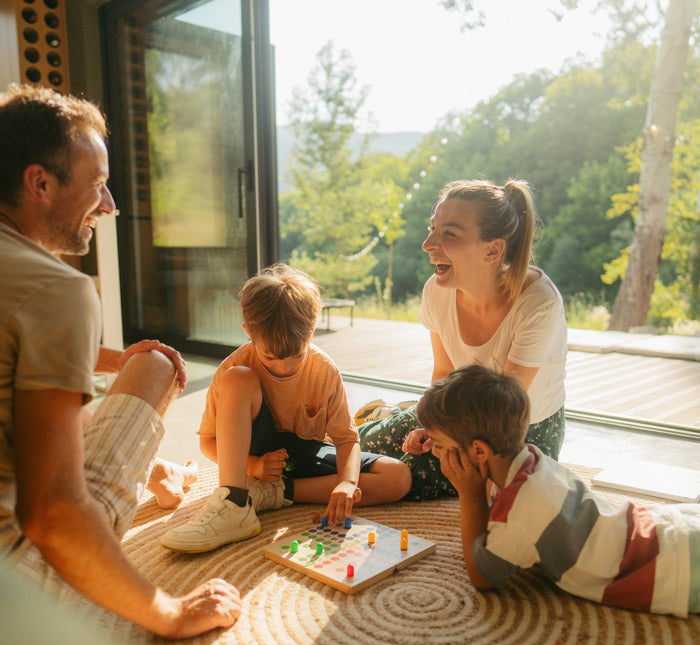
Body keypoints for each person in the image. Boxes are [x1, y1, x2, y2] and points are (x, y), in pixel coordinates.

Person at [0, 84, 241, 638]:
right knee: (155, 363)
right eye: (99, 185)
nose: (109, 207)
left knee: (71, 404)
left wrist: (110, 358)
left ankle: (160, 473)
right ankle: (159, 474)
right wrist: (170, 612)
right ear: (40, 183)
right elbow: (51, 516)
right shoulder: (57, 290)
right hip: (19, 589)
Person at [160, 263, 411, 553]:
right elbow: (207, 442)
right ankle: (234, 501)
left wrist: (345, 483)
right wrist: (253, 466)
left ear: (312, 329)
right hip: (254, 456)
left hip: (303, 456)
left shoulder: (324, 370)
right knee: (238, 379)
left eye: (296, 355)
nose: (285, 367)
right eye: (270, 357)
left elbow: (346, 439)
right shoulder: (234, 368)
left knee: (398, 477)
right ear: (247, 332)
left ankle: (276, 494)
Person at [416, 364, 698, 618]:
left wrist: (471, 494)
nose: (435, 450)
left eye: (438, 443)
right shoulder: (532, 458)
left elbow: (482, 577)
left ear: (479, 450)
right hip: (670, 528)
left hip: (673, 570)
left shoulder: (519, 514)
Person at [359, 179, 567, 500]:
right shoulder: (437, 290)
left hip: (514, 431)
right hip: (458, 413)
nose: (428, 244)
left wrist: (444, 437)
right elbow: (443, 373)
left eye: (449, 234)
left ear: (493, 249)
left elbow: (504, 409)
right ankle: (388, 417)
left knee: (401, 474)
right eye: (432, 228)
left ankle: (285, 489)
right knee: (360, 444)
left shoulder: (539, 302)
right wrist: (430, 424)